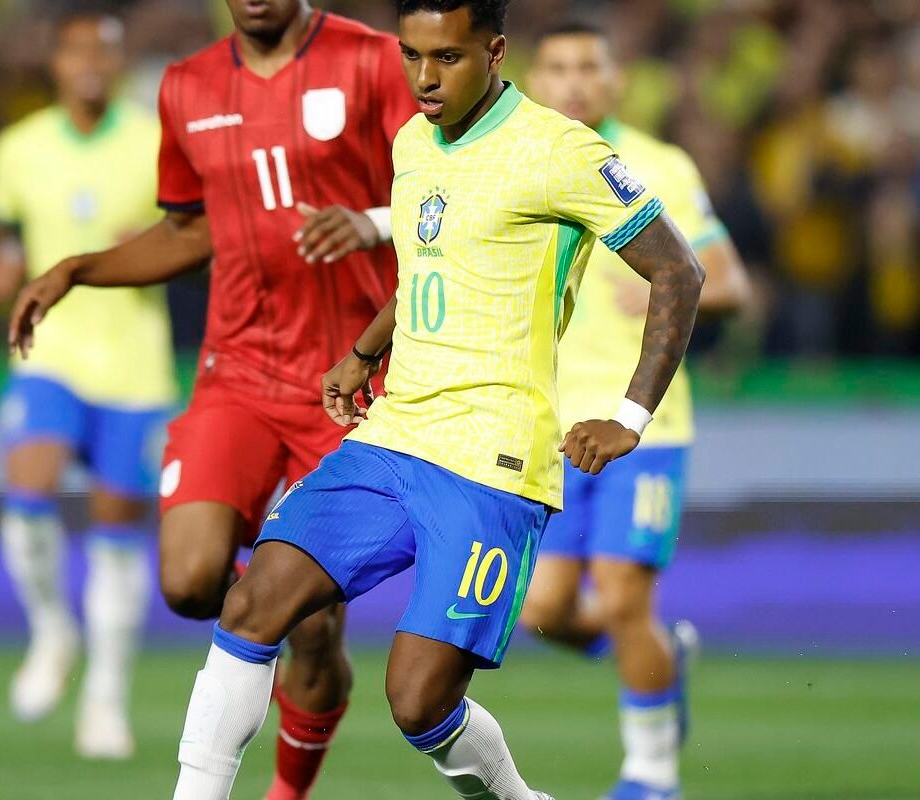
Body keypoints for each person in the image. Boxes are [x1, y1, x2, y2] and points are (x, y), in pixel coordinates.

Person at [167, 0, 708, 798]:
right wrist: (363, 352)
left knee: (419, 702)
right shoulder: (413, 142)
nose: (424, 77)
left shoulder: (560, 150)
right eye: (411, 56)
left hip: (493, 458)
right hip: (394, 435)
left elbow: (680, 271)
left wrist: (630, 416)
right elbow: (429, 264)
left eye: (447, 58)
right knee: (252, 605)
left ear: (495, 52)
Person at [8, 1, 415, 796]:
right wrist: (77, 270)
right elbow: (191, 230)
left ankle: (287, 788)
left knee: (313, 629)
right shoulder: (187, 86)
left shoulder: (372, 61)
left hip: (348, 382)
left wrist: (371, 222)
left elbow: (450, 190)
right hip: (239, 372)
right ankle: (272, 597)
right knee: (190, 581)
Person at [520, 21, 752, 800]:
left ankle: (651, 774)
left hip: (642, 425)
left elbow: (730, 284)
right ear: (533, 81)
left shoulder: (660, 166)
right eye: (558, 68)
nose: (574, 82)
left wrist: (665, 286)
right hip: (551, 427)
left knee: (622, 597)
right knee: (544, 611)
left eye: (589, 67)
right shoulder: (517, 161)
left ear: (617, 81)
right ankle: (661, 654)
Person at [0, 12, 172, 759]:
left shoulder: (157, 142)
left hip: (134, 364)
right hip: (50, 352)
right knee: (27, 490)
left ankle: (105, 698)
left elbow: (197, 238)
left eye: (104, 51)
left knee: (117, 533)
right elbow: (1, 229)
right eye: (77, 51)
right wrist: (1, 265)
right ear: (55, 63)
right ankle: (52, 628)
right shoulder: (19, 147)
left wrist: (150, 248)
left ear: (121, 63)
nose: (91, 63)